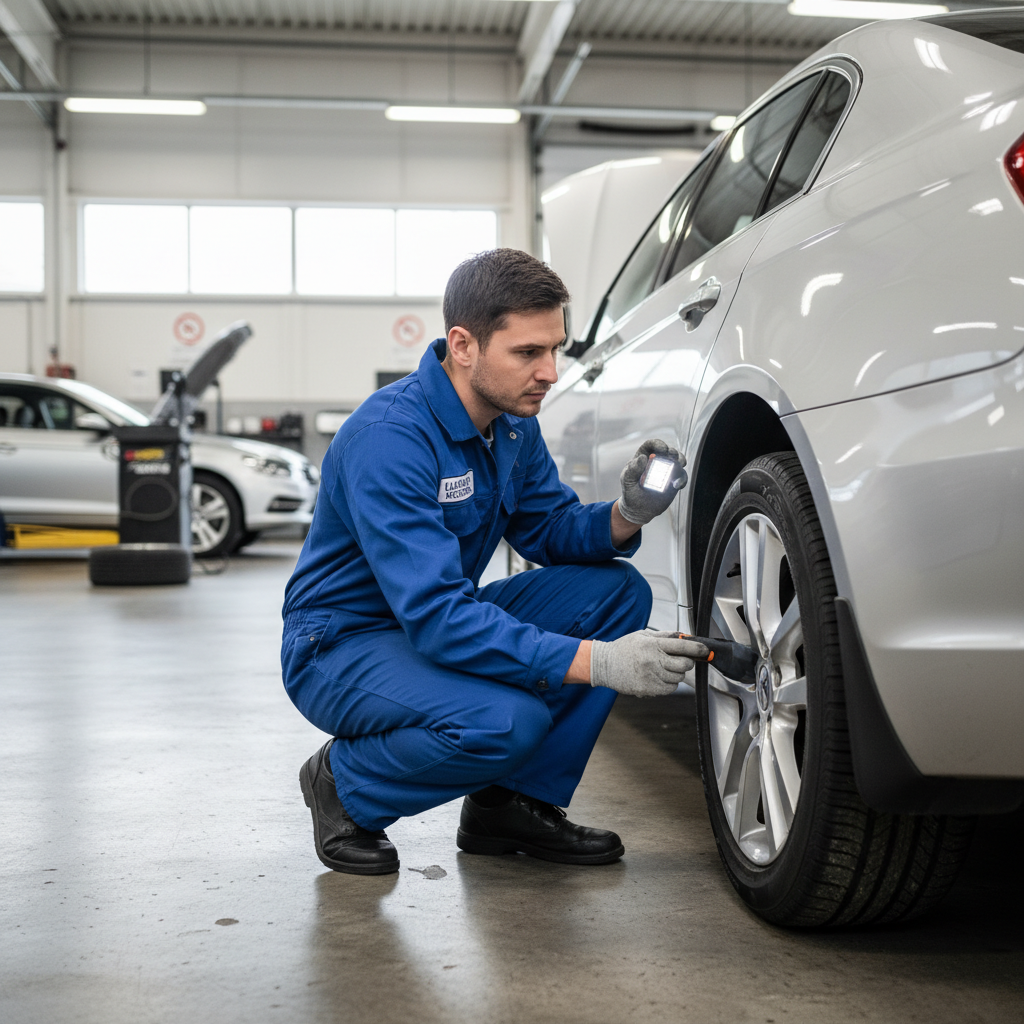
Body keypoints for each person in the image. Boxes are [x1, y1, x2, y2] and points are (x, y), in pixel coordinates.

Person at [281, 248, 708, 875]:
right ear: (463, 345)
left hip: (431, 618)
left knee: (616, 592)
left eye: (554, 349)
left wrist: (627, 513)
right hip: (342, 644)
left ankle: (509, 806)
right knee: (506, 722)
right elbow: (436, 616)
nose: (550, 372)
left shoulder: (510, 424)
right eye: (528, 352)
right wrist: (602, 662)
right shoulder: (389, 439)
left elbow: (549, 529)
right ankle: (344, 785)